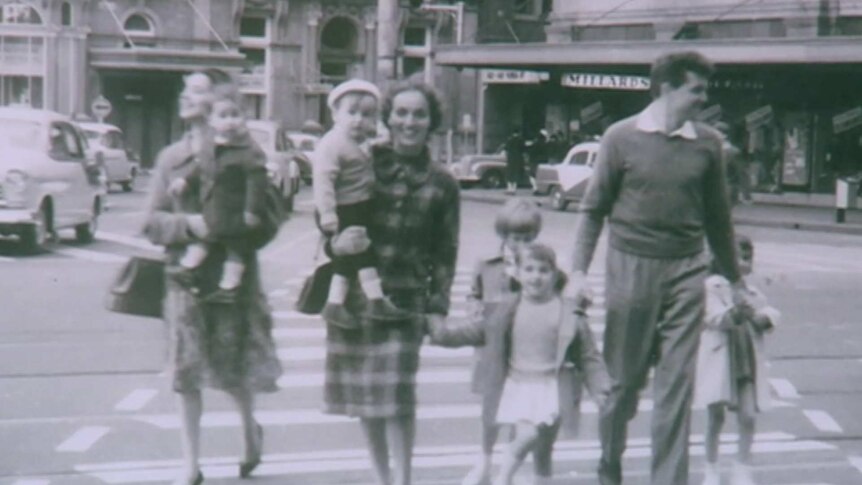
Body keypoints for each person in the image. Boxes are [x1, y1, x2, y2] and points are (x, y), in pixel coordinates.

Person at [567, 51, 755, 485]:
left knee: (676, 390)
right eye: (696, 89)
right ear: (667, 87)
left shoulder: (708, 143)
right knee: (622, 386)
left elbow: (718, 220)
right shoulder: (620, 137)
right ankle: (609, 461)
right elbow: (593, 211)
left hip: (687, 270)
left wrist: (736, 282)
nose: (703, 98)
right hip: (631, 269)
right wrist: (577, 273)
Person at [142, 69, 282, 485]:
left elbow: (272, 218)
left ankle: (249, 431)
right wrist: (192, 226)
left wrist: (240, 228)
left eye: (197, 90)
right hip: (184, 276)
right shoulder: (172, 159)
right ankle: (191, 463)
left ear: (220, 102)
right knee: (185, 370)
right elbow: (150, 222)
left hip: (233, 276)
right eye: (185, 89)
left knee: (234, 365)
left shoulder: (248, 154)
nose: (187, 96)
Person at [322, 79, 460, 485]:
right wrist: (335, 243)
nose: (409, 122)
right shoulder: (363, 161)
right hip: (356, 298)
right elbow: (328, 214)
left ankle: (404, 480)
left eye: (419, 114)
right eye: (401, 113)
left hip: (405, 301)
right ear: (389, 118)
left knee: (398, 400)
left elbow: (445, 251)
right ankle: (382, 479)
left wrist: (437, 308)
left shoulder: (443, 182)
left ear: (431, 120)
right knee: (367, 400)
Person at [429, 243, 609, 485]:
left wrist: (601, 388)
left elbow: (588, 355)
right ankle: (504, 477)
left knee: (544, 450)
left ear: (555, 275)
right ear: (518, 274)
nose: (536, 276)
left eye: (543, 270)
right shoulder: (507, 310)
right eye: (530, 269)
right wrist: (439, 333)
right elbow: (474, 331)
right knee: (528, 435)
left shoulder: (568, 313)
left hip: (554, 389)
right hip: (520, 386)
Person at [312, 78, 409, 327]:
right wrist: (327, 214)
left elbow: (370, 151)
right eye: (351, 112)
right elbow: (323, 180)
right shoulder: (332, 143)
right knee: (362, 253)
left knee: (349, 260)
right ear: (335, 114)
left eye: (366, 115)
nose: (358, 120)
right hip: (344, 207)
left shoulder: (361, 141)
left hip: (360, 204)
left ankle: (335, 304)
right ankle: (375, 300)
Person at [460, 197, 542, 485]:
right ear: (503, 236)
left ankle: (508, 470)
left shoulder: (537, 265)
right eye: (515, 237)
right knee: (491, 409)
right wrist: (474, 309)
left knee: (519, 410)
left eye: (528, 238)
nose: (521, 244)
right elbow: (473, 293)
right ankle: (483, 462)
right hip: (492, 347)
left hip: (526, 349)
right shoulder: (487, 263)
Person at [168, 87, 269, 303]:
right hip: (214, 208)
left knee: (235, 249)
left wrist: (252, 210)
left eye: (235, 115)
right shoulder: (210, 146)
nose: (230, 121)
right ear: (211, 121)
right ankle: (188, 269)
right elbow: (201, 169)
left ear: (244, 118)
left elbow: (256, 181)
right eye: (223, 116)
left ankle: (229, 287)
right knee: (205, 239)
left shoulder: (249, 150)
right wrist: (184, 181)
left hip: (235, 212)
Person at [695, 235, 780, 485]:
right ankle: (711, 470)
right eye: (741, 256)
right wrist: (736, 312)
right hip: (720, 359)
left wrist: (768, 318)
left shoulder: (749, 288)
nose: (747, 260)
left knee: (748, 416)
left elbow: (765, 309)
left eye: (749, 255)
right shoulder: (711, 286)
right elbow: (712, 317)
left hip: (745, 359)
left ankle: (742, 468)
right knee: (715, 417)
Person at [504, 128, 525, 194]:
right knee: (516, 173)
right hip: (518, 158)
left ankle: (509, 188)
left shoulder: (509, 140)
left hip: (510, 158)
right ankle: (514, 189)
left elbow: (506, 149)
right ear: (518, 133)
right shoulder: (521, 140)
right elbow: (523, 150)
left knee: (509, 173)